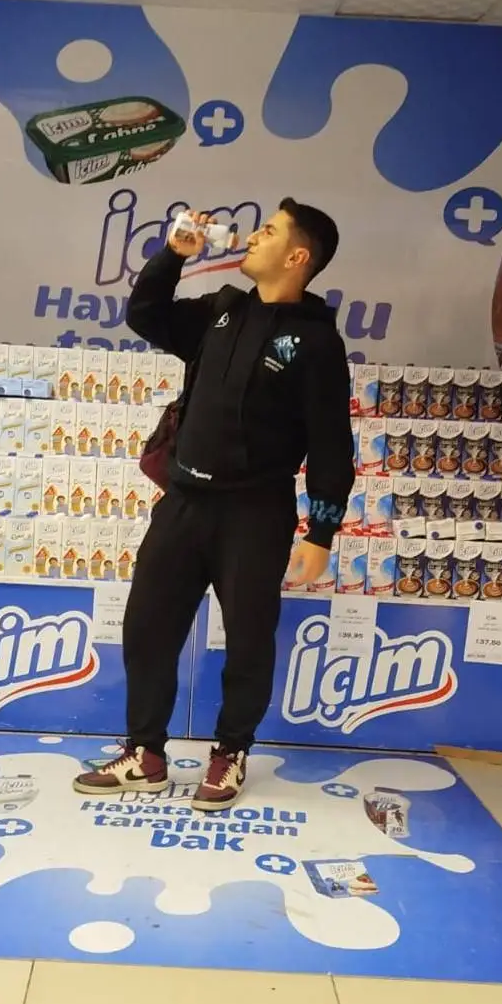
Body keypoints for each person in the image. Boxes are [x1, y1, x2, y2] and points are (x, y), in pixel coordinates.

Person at [74, 200, 355, 809]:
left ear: (297, 256)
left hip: (256, 515)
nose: (253, 237)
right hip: (183, 503)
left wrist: (321, 532)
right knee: (147, 627)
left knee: (249, 641)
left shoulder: (317, 342)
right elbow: (146, 315)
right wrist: (172, 257)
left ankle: (230, 753)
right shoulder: (222, 309)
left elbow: (333, 445)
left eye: (269, 231)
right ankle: (145, 754)